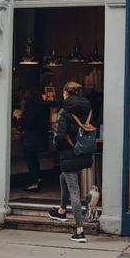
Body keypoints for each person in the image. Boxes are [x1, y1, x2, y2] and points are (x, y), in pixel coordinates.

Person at [48, 81, 93, 243]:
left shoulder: (64, 111)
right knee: (63, 179)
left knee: (74, 191)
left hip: (69, 153)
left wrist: (57, 148)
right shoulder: (87, 109)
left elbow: (59, 136)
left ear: (66, 93)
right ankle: (61, 211)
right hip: (83, 153)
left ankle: (80, 230)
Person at [19, 86, 50, 192]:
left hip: (30, 138)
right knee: (35, 159)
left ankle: (34, 182)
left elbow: (25, 122)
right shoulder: (43, 106)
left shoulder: (30, 107)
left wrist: (18, 117)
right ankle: (38, 179)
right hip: (40, 136)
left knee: (31, 161)